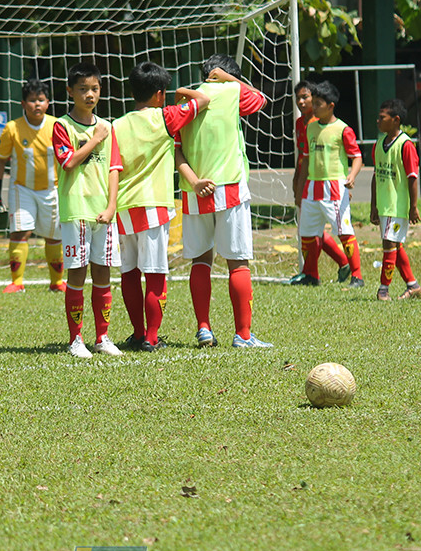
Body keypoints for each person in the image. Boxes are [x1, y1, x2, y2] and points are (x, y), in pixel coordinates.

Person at [174, 53, 272, 348]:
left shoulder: (187, 99)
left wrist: (193, 181)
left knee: (200, 260)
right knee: (237, 261)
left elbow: (176, 149)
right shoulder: (233, 91)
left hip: (194, 189)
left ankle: (204, 328)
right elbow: (261, 99)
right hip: (229, 186)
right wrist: (229, 78)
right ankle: (243, 334)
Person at [112, 61, 210, 351]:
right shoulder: (166, 117)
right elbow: (203, 100)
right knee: (155, 272)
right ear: (159, 94)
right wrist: (181, 90)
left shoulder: (116, 124)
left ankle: (138, 332)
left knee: (129, 272)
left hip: (123, 206)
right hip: (154, 206)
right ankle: (152, 338)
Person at [52, 62, 123, 358]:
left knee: (103, 274)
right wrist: (94, 140)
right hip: (76, 211)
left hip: (102, 213)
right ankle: (76, 339)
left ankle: (102, 338)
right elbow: (68, 162)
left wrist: (111, 206)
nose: (89, 95)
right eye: (82, 89)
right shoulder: (62, 126)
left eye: (94, 89)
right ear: (70, 91)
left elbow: (114, 170)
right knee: (78, 275)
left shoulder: (108, 127)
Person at [0, 79, 65, 293]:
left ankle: (57, 282)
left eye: (41, 100)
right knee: (20, 232)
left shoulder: (56, 126)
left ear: (48, 103)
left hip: (52, 189)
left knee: (54, 236)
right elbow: (0, 160)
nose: (37, 105)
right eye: (32, 101)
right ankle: (17, 282)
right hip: (22, 189)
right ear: (23, 104)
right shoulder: (12, 128)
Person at [294, 80, 364, 287]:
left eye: (317, 104)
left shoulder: (343, 129)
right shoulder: (310, 128)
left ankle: (357, 275)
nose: (313, 107)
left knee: (344, 232)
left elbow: (357, 157)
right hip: (311, 189)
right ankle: (311, 275)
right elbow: (305, 159)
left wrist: (351, 176)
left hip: (334, 188)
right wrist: (300, 189)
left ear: (330, 106)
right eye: (313, 102)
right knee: (307, 233)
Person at [369, 99, 421, 301]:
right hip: (384, 205)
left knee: (389, 245)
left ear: (395, 120)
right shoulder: (379, 144)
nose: (378, 121)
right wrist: (373, 205)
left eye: (382, 117)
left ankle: (383, 290)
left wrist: (413, 207)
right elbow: (376, 175)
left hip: (397, 206)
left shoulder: (405, 145)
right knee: (395, 247)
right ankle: (413, 286)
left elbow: (412, 178)